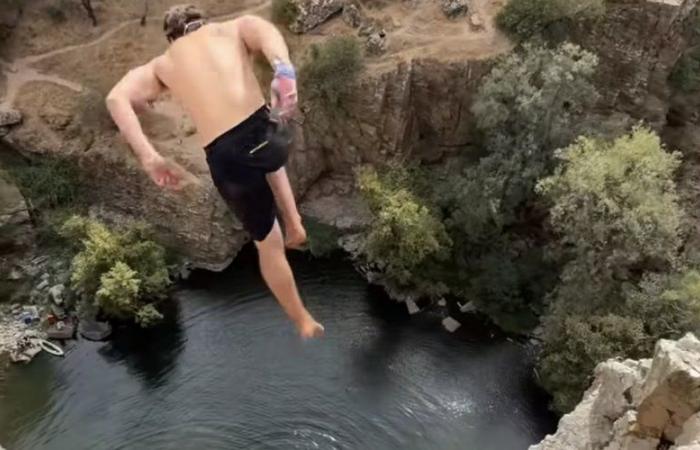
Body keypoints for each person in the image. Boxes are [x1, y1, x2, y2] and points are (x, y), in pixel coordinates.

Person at [105, 4, 324, 339]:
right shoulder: (235, 27)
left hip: (228, 155)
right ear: (203, 22)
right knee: (269, 155)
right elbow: (267, 32)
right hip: (269, 131)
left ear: (171, 37)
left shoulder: (164, 63)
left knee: (268, 245)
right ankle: (294, 221)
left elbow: (116, 99)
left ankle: (302, 320)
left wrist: (151, 158)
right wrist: (284, 69)